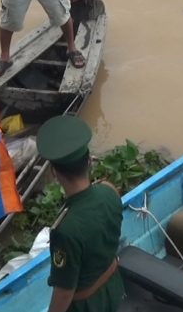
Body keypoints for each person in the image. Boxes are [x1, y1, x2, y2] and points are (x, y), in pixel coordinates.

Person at [36, 116, 124, 312]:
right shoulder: (109, 191)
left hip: (87, 306)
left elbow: (65, 291)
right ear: (89, 162)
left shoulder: (65, 230)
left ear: (55, 173)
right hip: (114, 287)